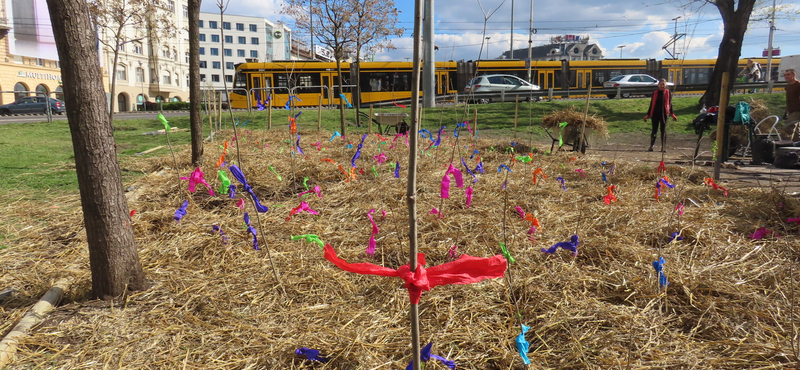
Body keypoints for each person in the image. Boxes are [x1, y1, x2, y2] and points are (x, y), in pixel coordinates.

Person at [643, 79, 677, 152]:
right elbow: (651, 104)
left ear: (666, 85)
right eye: (661, 84)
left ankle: (663, 147)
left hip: (664, 114)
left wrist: (672, 114)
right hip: (655, 114)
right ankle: (651, 146)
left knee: (663, 131)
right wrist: (647, 114)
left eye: (663, 84)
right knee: (654, 130)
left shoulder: (668, 93)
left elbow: (670, 104)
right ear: (658, 85)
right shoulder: (654, 93)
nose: (662, 86)